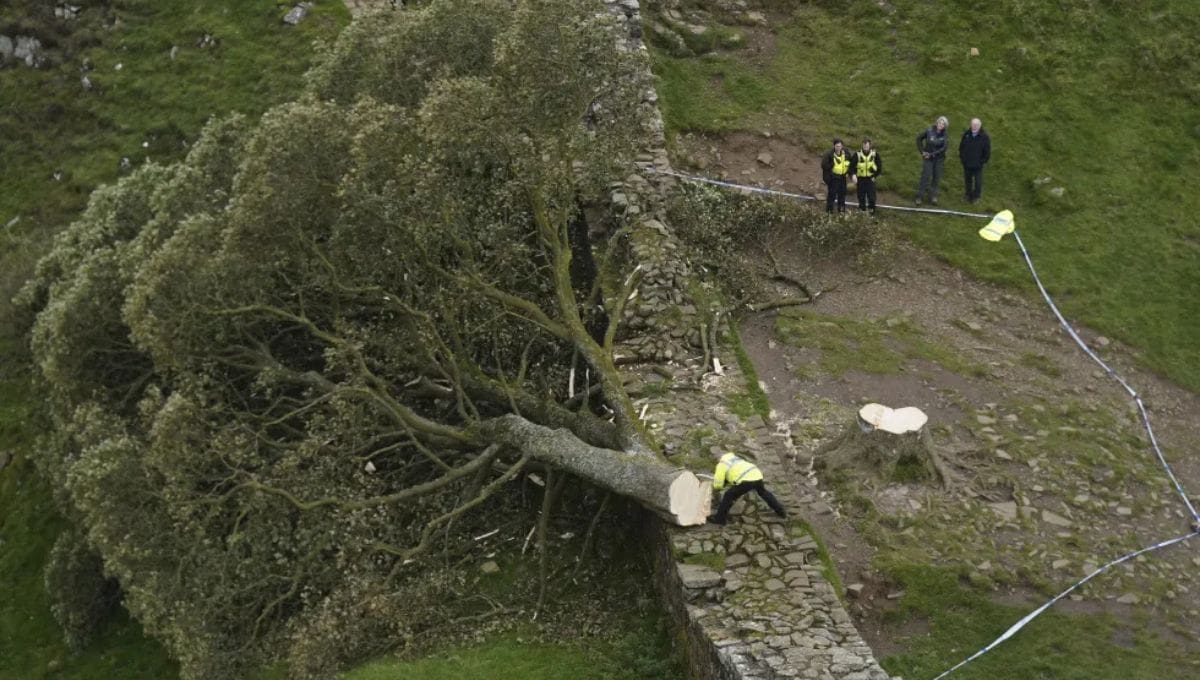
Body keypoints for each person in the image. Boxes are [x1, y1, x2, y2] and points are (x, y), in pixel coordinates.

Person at [709, 452, 787, 525]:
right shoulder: (734, 458)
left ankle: (720, 520)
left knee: (728, 495)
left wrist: (717, 487)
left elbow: (718, 484)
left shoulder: (722, 464)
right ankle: (781, 512)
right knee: (764, 493)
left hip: (746, 481)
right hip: (757, 475)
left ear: (718, 459)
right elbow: (735, 473)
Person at [914, 115, 949, 206]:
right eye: (940, 122)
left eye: (943, 124)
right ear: (937, 122)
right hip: (928, 158)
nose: (941, 125)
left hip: (939, 159)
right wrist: (922, 152)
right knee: (925, 176)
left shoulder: (945, 135)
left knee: (936, 178)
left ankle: (933, 197)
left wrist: (932, 154)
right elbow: (918, 139)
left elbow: (944, 148)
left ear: (945, 126)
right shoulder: (929, 130)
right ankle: (919, 197)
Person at [959, 118, 991, 204]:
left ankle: (976, 197)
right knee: (968, 181)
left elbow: (987, 151)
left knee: (978, 182)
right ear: (971, 125)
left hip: (978, 165)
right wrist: (963, 159)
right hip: (967, 163)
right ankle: (968, 195)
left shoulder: (984, 137)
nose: (975, 126)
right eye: (973, 124)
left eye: (976, 125)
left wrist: (982, 161)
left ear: (980, 126)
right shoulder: (966, 134)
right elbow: (961, 147)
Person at [851, 138, 882, 214]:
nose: (865, 147)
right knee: (861, 198)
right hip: (860, 179)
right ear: (862, 145)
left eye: (867, 146)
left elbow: (879, 167)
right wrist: (853, 175)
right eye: (864, 146)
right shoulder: (857, 154)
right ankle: (862, 214)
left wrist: (875, 176)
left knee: (872, 198)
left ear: (870, 146)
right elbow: (851, 167)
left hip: (870, 179)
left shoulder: (875, 154)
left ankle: (871, 215)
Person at [820, 138, 851, 213]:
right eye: (837, 146)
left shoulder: (846, 153)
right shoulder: (829, 154)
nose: (838, 148)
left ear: (842, 146)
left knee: (842, 195)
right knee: (832, 196)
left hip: (843, 177)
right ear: (834, 146)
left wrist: (848, 173)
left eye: (840, 146)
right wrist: (831, 165)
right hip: (833, 178)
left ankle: (841, 212)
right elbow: (824, 165)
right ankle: (829, 213)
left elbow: (850, 163)